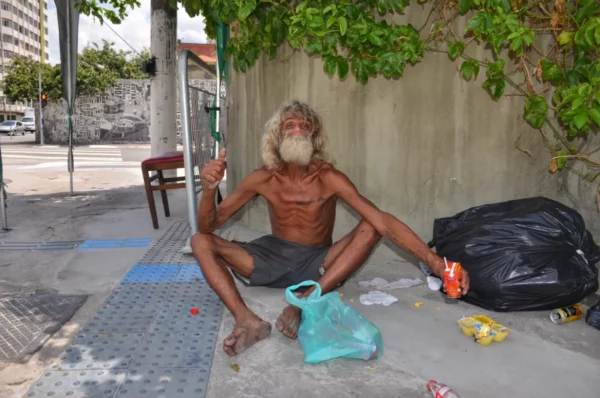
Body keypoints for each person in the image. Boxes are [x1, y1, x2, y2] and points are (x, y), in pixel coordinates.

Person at [191, 100, 470, 357]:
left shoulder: (328, 176)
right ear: (278, 136)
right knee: (199, 241)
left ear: (314, 137)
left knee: (371, 225)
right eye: (290, 125)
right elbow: (208, 225)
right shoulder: (262, 177)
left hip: (318, 263)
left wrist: (436, 263)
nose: (298, 130)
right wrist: (209, 190)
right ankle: (247, 320)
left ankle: (305, 301)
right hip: (270, 257)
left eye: (305, 126)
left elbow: (382, 220)